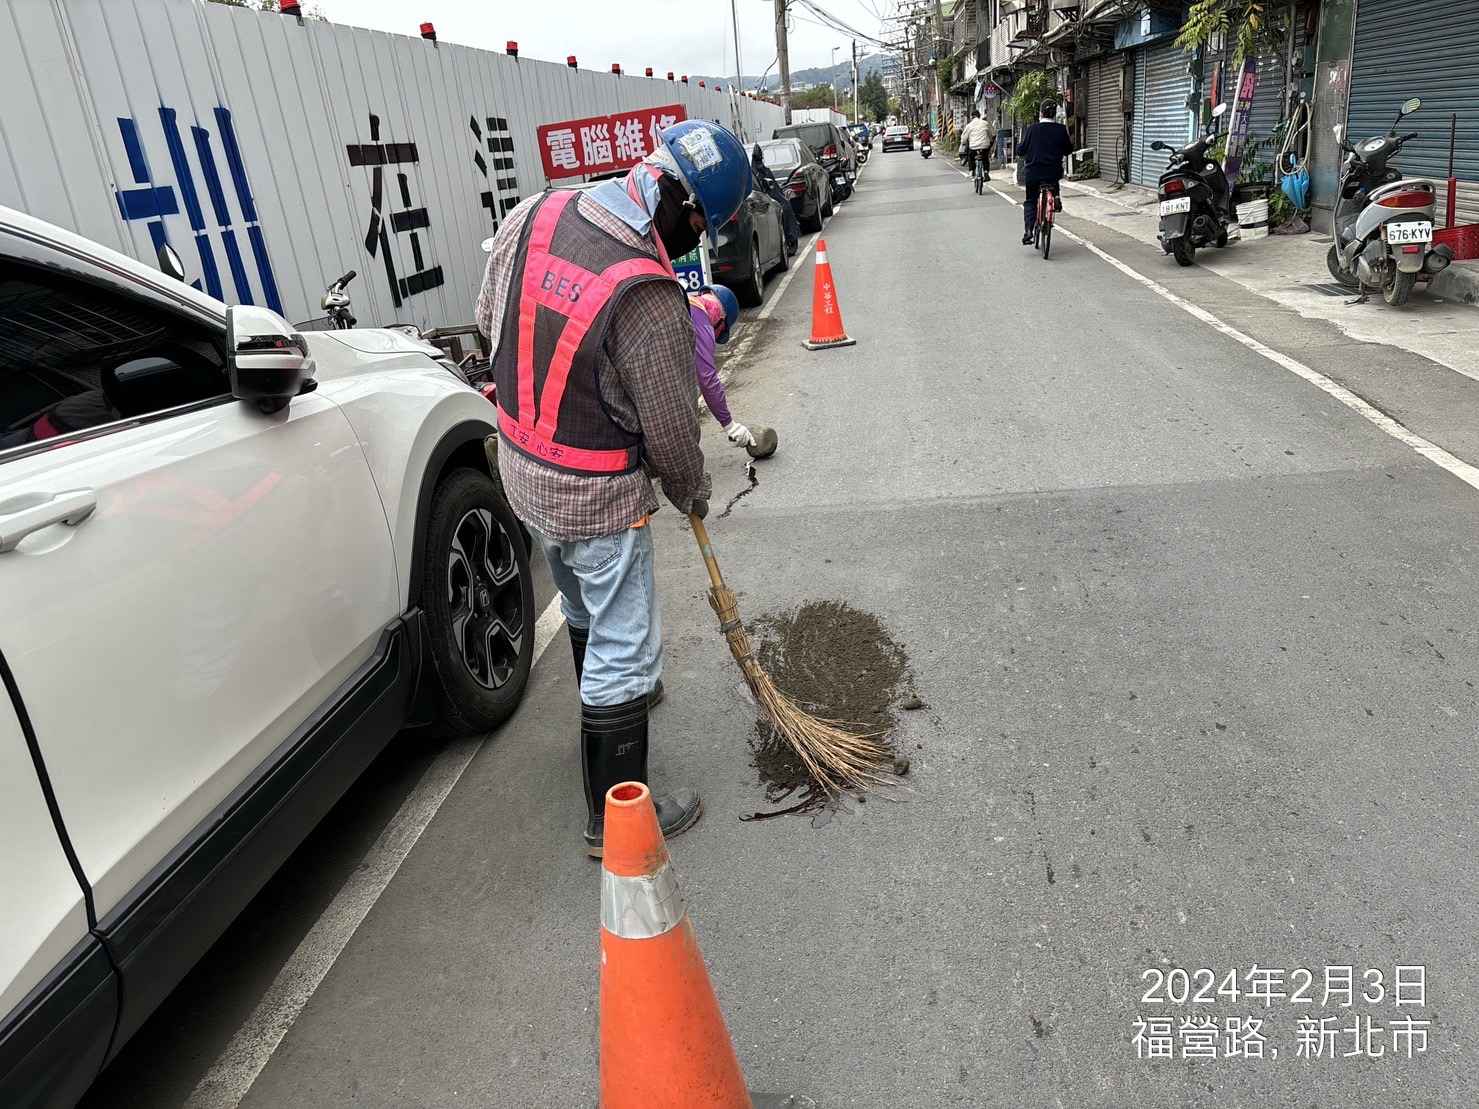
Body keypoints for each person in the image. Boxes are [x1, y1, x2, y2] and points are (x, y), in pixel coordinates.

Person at [475, 119, 752, 856]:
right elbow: (670, 432)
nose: (696, 243)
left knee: (581, 606)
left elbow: (487, 322)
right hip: (596, 496)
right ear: (683, 207)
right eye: (702, 226)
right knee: (624, 643)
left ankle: (606, 703)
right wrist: (691, 489)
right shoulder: (648, 294)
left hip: (523, 472)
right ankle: (615, 817)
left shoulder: (534, 214)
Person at [1017, 98, 1074, 244]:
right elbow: (1069, 149)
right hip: (1053, 172)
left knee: (1030, 200)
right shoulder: (1061, 129)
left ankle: (1028, 231)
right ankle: (1056, 197)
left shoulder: (1032, 129)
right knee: (1053, 181)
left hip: (1033, 173)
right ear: (1054, 114)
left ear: (1041, 113)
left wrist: (1022, 149)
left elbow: (1021, 150)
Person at [752, 144, 799, 254]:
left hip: (770, 196)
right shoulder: (755, 172)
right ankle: (789, 237)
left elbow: (775, 188)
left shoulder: (762, 170)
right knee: (784, 207)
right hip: (764, 199)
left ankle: (790, 238)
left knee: (785, 206)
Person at [958, 110, 993, 181]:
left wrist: (963, 142)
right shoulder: (985, 123)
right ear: (979, 116)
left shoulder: (969, 125)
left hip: (973, 147)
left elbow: (963, 139)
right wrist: (990, 140)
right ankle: (986, 172)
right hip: (984, 147)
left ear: (972, 117)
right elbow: (991, 134)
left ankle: (971, 171)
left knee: (970, 157)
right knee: (985, 158)